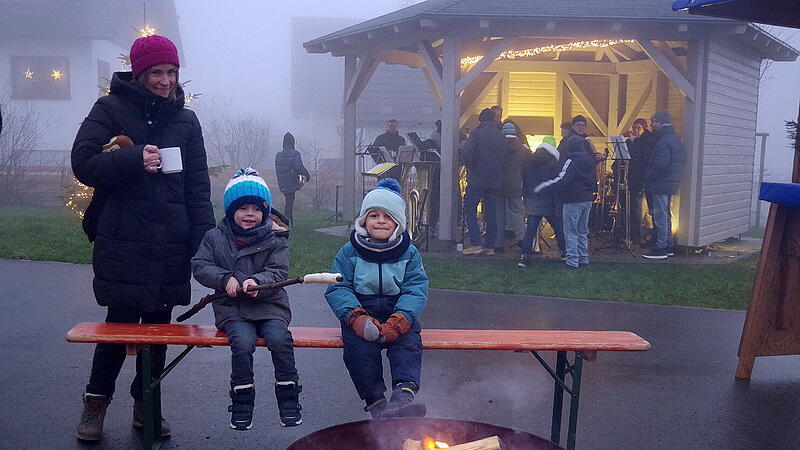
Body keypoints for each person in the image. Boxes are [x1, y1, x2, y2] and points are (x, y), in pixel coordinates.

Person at [71, 34, 215, 442]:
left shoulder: (186, 121)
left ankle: (146, 403)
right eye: (157, 72)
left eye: (171, 72)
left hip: (171, 241)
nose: (166, 81)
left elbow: (197, 189)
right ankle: (95, 403)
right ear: (140, 73)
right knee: (118, 327)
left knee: (158, 329)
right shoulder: (110, 109)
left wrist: (201, 243)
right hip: (123, 239)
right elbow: (82, 161)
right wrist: (133, 158)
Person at [192, 168, 302, 430]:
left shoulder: (275, 239)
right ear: (231, 212)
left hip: (270, 304)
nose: (250, 214)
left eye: (256, 208)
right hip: (233, 308)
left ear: (264, 211)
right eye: (243, 209)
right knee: (242, 342)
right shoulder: (214, 237)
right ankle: (242, 399)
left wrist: (259, 283)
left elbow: (278, 271)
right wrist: (225, 279)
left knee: (280, 339)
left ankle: (288, 396)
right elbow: (200, 265)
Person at [324, 178, 429, 419]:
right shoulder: (349, 252)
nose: (380, 221)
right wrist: (356, 318)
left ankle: (403, 397)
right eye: (374, 216)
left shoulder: (409, 253)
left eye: (387, 216)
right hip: (362, 311)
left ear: (398, 223)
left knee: (408, 344)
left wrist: (402, 318)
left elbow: (415, 288)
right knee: (359, 351)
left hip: (397, 311)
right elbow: (338, 287)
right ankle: (377, 403)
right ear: (363, 221)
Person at [534, 135, 597, 268]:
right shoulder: (590, 161)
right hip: (587, 199)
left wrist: (543, 186)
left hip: (572, 199)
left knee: (570, 231)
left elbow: (562, 179)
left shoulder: (571, 161)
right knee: (582, 231)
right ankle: (583, 259)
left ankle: (572, 261)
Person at [460, 108, 505, 256]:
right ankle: (490, 246)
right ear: (494, 119)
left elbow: (466, 152)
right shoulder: (500, 135)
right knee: (491, 213)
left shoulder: (476, 134)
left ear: (481, 119)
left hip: (476, 179)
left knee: (470, 210)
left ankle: (476, 243)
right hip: (494, 179)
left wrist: (470, 165)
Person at [642, 110, 686, 259]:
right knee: (666, 213)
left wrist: (647, 176)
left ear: (660, 122)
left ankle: (660, 248)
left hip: (660, 183)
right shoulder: (673, 138)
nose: (652, 124)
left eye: (654, 122)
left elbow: (661, 164)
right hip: (669, 182)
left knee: (660, 214)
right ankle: (668, 245)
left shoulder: (663, 140)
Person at [519, 136, 565, 267]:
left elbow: (525, 181)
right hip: (549, 200)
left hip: (533, 198)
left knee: (531, 230)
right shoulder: (554, 163)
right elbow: (555, 182)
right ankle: (564, 253)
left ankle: (525, 257)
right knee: (558, 228)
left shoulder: (529, 161)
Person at [497, 120, 527, 252]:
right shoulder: (523, 148)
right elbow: (528, 166)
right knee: (518, 211)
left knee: (499, 213)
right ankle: (521, 238)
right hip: (516, 183)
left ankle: (498, 244)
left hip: (498, 184)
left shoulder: (497, 147)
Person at [625, 118, 655, 243]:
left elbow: (635, 156)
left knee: (640, 209)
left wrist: (632, 142)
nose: (636, 130)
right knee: (636, 208)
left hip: (641, 179)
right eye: (634, 127)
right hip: (634, 179)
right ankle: (635, 234)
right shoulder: (635, 141)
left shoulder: (645, 141)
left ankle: (639, 236)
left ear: (644, 128)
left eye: (639, 128)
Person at [274, 132, 310, 223]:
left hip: (282, 183)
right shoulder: (295, 154)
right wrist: (307, 175)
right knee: (289, 204)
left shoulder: (278, 155)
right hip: (291, 183)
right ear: (292, 142)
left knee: (288, 203)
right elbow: (299, 167)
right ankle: (287, 223)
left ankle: (287, 222)